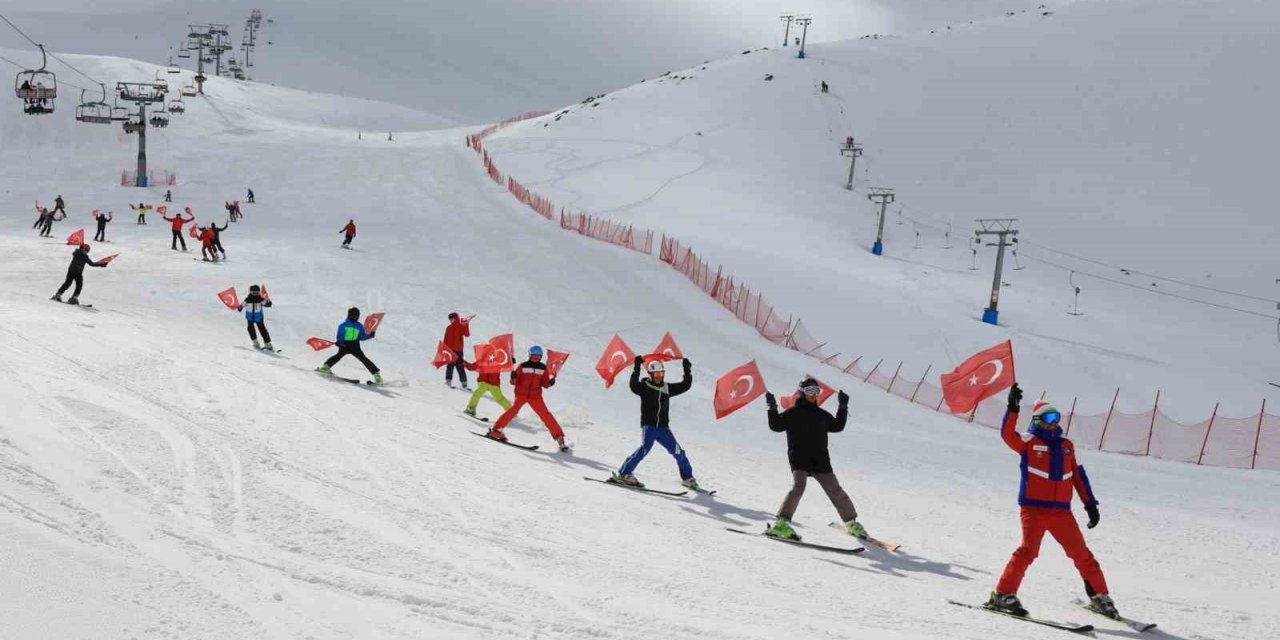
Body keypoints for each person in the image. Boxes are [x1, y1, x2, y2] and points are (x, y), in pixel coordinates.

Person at [986, 384, 1118, 619]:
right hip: (1034, 509)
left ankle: (1101, 597)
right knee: (1028, 552)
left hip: (1062, 513)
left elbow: (1077, 475)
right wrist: (1013, 408)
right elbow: (1007, 435)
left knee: (1082, 554)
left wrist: (1090, 505)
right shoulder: (1027, 441)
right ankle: (1004, 594)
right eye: (1048, 417)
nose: (1053, 422)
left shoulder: (1066, 446)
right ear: (1037, 420)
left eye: (1056, 417)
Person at [764, 378, 866, 541]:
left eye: (816, 391)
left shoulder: (821, 415)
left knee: (835, 490)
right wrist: (772, 407)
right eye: (810, 391)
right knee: (799, 487)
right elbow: (776, 425)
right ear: (802, 393)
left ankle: (851, 522)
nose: (813, 395)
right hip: (800, 458)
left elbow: (837, 426)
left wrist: (843, 406)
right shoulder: (793, 413)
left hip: (820, 460)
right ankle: (781, 523)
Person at [612, 356, 700, 490]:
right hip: (650, 427)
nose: (659, 376)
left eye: (661, 374)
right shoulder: (644, 387)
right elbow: (633, 386)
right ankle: (624, 474)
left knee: (679, 452)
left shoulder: (666, 388)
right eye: (656, 374)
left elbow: (685, 386)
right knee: (644, 449)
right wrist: (636, 368)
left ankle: (688, 478)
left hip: (664, 429)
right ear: (651, 374)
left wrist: (687, 370)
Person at [486, 346, 568, 451]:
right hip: (521, 394)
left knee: (546, 415)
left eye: (538, 356)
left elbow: (545, 384)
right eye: (534, 355)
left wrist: (550, 383)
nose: (536, 358)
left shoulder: (543, 368)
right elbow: (514, 382)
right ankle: (496, 430)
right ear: (529, 355)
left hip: (535, 396)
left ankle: (559, 438)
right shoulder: (523, 366)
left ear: (541, 357)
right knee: (512, 411)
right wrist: (513, 377)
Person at [317, 307, 383, 384]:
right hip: (345, 345)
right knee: (338, 356)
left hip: (355, 346)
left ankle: (377, 376)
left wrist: (369, 336)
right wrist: (340, 342)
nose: (355, 317)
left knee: (364, 359)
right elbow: (340, 335)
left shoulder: (359, 326)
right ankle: (325, 367)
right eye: (353, 315)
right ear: (349, 315)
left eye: (357, 315)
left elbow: (362, 337)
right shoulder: (344, 325)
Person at [236, 284, 273, 350]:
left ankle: (265, 344)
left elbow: (266, 304)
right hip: (255, 317)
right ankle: (260, 343)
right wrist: (239, 308)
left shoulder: (257, 299)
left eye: (256, 293)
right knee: (255, 329)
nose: (255, 294)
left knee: (259, 329)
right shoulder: (251, 299)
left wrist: (268, 302)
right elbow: (241, 306)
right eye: (254, 293)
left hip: (255, 317)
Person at [443, 312, 470, 389]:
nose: (451, 320)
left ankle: (464, 383)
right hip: (450, 350)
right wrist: (445, 350)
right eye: (450, 319)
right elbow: (445, 339)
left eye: (452, 318)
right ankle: (448, 381)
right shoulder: (448, 328)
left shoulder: (461, 326)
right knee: (450, 366)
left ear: (456, 318)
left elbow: (467, 334)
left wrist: (466, 325)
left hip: (458, 350)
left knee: (460, 366)